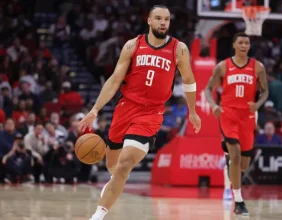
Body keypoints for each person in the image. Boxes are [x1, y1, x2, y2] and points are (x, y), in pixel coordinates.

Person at [78, 5, 201, 220]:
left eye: (167, 19)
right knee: (113, 166)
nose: (164, 22)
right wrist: (95, 110)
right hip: (125, 108)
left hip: (151, 114)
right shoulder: (132, 45)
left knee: (125, 164)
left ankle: (97, 216)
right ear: (149, 21)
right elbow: (115, 79)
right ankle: (114, 184)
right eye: (159, 18)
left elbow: (189, 81)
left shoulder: (178, 48)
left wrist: (192, 111)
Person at [204, 32, 268, 216]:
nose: (243, 45)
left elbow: (265, 91)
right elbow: (208, 89)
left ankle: (229, 163)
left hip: (247, 118)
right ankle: (238, 201)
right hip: (228, 115)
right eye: (240, 42)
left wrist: (258, 104)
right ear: (234, 44)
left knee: (243, 165)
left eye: (246, 43)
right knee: (236, 153)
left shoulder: (258, 67)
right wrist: (214, 105)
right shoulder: (223, 67)